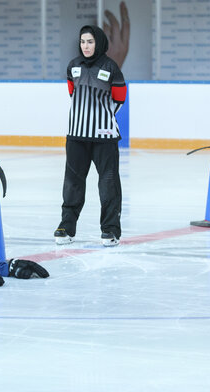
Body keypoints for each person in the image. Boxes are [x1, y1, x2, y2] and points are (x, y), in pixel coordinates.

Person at [54, 25, 126, 247]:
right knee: (72, 183)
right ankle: (66, 226)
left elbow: (119, 99)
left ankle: (110, 230)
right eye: (83, 41)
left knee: (108, 184)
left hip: (104, 137)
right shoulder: (73, 66)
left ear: (100, 43)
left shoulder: (111, 67)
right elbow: (72, 94)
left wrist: (102, 119)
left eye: (90, 41)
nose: (86, 46)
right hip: (76, 136)